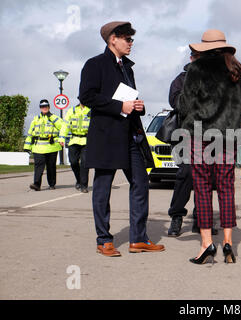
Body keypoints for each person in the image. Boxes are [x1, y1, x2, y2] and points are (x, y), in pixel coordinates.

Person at [78, 21, 164, 257]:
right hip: (106, 136)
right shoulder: (94, 64)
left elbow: (129, 100)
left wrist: (137, 106)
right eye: (127, 39)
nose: (131, 43)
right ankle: (103, 240)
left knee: (141, 183)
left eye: (132, 39)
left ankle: (138, 238)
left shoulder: (128, 68)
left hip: (130, 136)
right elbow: (86, 96)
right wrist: (120, 106)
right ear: (112, 39)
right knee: (102, 188)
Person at [178, 29, 241, 264]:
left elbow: (185, 104)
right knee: (227, 188)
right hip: (228, 135)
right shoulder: (238, 70)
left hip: (201, 134)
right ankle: (228, 242)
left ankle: (206, 244)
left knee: (203, 188)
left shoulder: (197, 69)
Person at [167, 56, 218, 237]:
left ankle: (201, 220)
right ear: (192, 58)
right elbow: (176, 103)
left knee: (207, 179)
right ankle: (177, 216)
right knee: (186, 174)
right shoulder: (181, 80)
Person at [24, 99, 63, 191]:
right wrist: (27, 146)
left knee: (51, 166)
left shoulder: (55, 118)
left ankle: (52, 184)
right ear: (40, 108)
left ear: (49, 107)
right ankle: (37, 184)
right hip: (38, 147)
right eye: (42, 106)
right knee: (38, 165)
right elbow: (30, 134)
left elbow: (63, 127)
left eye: (46, 106)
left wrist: (61, 139)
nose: (44, 108)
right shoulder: (35, 119)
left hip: (52, 147)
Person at [58, 102, 91, 193]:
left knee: (84, 163)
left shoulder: (91, 110)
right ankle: (79, 180)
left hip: (86, 141)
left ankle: (84, 185)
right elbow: (65, 125)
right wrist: (62, 138)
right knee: (73, 162)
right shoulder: (71, 111)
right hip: (74, 140)